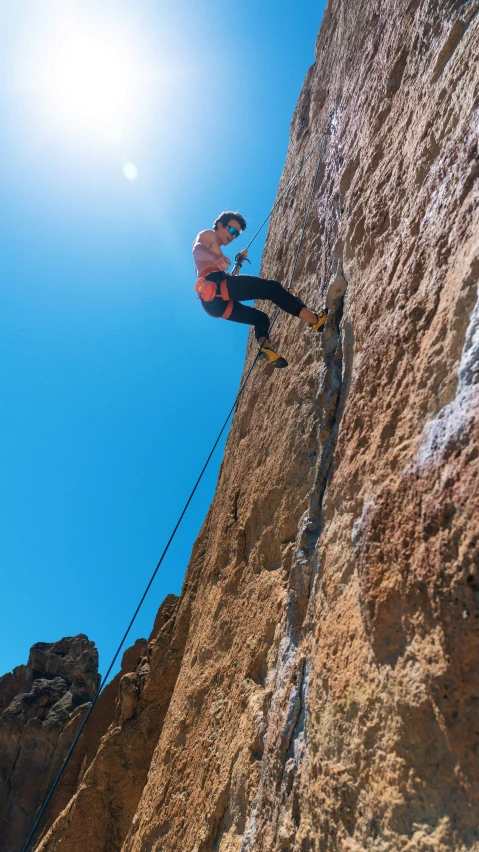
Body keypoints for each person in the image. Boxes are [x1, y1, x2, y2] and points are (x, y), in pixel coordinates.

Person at [193, 211, 328, 368]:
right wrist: (215, 257)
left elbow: (230, 282)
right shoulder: (209, 235)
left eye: (236, 234)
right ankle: (315, 320)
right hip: (214, 288)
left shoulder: (215, 253)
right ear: (220, 225)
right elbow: (197, 249)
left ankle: (267, 350)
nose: (233, 236)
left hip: (216, 303)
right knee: (272, 288)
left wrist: (239, 263)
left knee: (261, 319)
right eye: (232, 230)